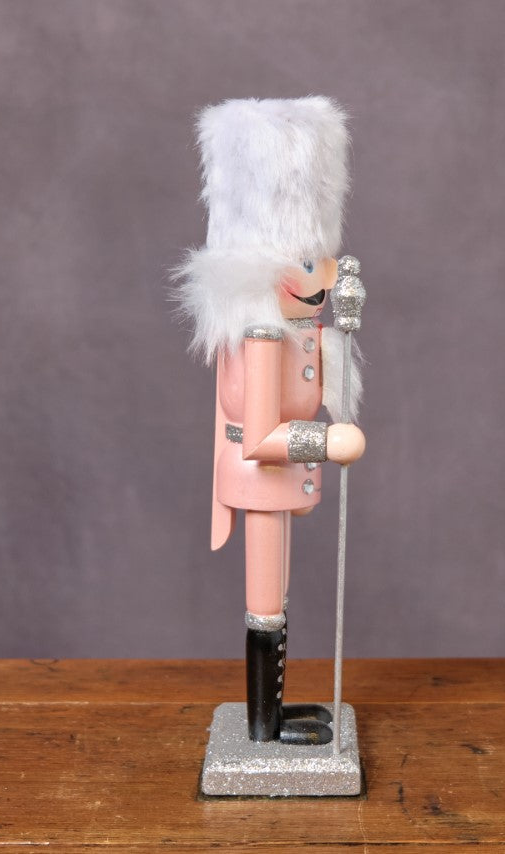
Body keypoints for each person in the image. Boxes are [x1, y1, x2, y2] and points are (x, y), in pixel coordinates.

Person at [175, 97, 364, 744]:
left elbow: (317, 390)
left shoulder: (297, 330)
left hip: (285, 477)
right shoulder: (259, 338)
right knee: (264, 597)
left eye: (322, 262)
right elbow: (258, 437)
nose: (324, 276)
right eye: (308, 266)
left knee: (277, 593)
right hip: (263, 474)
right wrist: (327, 440)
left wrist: (342, 338)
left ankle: (275, 713)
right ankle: (262, 726)